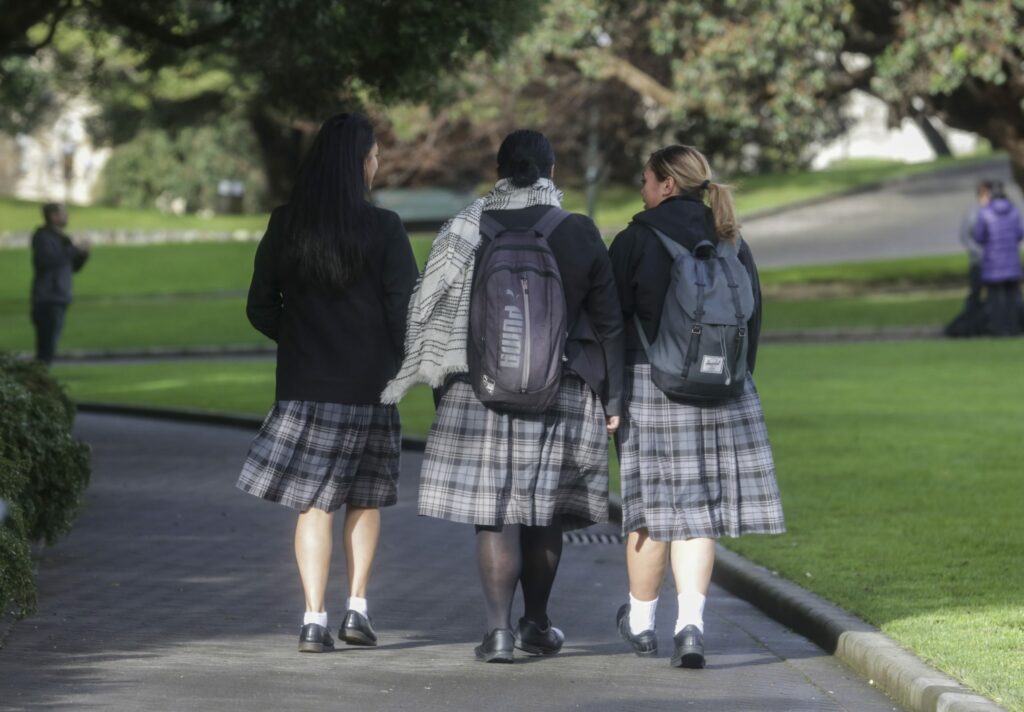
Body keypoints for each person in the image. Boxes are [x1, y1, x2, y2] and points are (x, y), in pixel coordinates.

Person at [382, 129, 624, 663]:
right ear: (551, 172)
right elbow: (609, 324)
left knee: (494, 513)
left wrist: (445, 391)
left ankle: (497, 633)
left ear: (499, 172)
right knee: (545, 513)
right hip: (561, 389)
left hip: (479, 390)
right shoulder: (578, 230)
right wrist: (612, 401)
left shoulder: (464, 229)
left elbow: (434, 316)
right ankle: (535, 624)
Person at [236, 113, 418, 653]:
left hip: (305, 387)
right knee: (365, 500)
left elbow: (259, 306)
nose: (378, 164)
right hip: (370, 387)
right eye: (375, 156)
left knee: (313, 505)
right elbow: (405, 313)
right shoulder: (385, 228)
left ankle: (313, 619)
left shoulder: (286, 223)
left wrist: (298, 340)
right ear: (359, 163)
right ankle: (357, 609)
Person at [608, 144, 785, 669]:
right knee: (698, 513)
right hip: (723, 391)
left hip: (650, 386)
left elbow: (610, 324)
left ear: (666, 184)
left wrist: (609, 395)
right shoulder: (731, 238)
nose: (642, 189)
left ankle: (641, 624)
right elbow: (752, 319)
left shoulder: (634, 239)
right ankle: (690, 625)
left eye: (646, 180)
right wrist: (733, 379)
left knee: (649, 512)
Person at [30, 203, 90, 364]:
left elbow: (72, 267)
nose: (67, 216)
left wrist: (83, 254)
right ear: (53, 216)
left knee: (51, 345)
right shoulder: (42, 237)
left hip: (60, 296)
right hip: (47, 298)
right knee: (46, 348)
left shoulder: (63, 239)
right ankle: (39, 377)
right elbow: (48, 261)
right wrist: (74, 249)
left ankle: (41, 376)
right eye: (63, 213)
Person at [973, 180, 1024, 336]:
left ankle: (998, 329)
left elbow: (979, 236)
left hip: (993, 263)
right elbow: (1020, 234)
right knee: (1012, 298)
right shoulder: (1014, 211)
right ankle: (1014, 328)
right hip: (1011, 261)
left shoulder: (985, 212)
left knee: (995, 299)